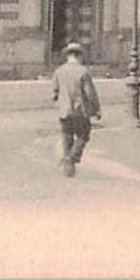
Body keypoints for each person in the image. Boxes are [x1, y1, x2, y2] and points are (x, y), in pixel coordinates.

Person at [51, 42, 101, 178]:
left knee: (67, 137)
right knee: (83, 135)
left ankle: (68, 171)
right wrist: (96, 110)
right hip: (80, 111)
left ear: (68, 55)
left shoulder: (59, 71)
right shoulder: (83, 72)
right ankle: (71, 159)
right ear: (78, 55)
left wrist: (59, 104)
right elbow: (90, 93)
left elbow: (54, 93)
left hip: (64, 112)